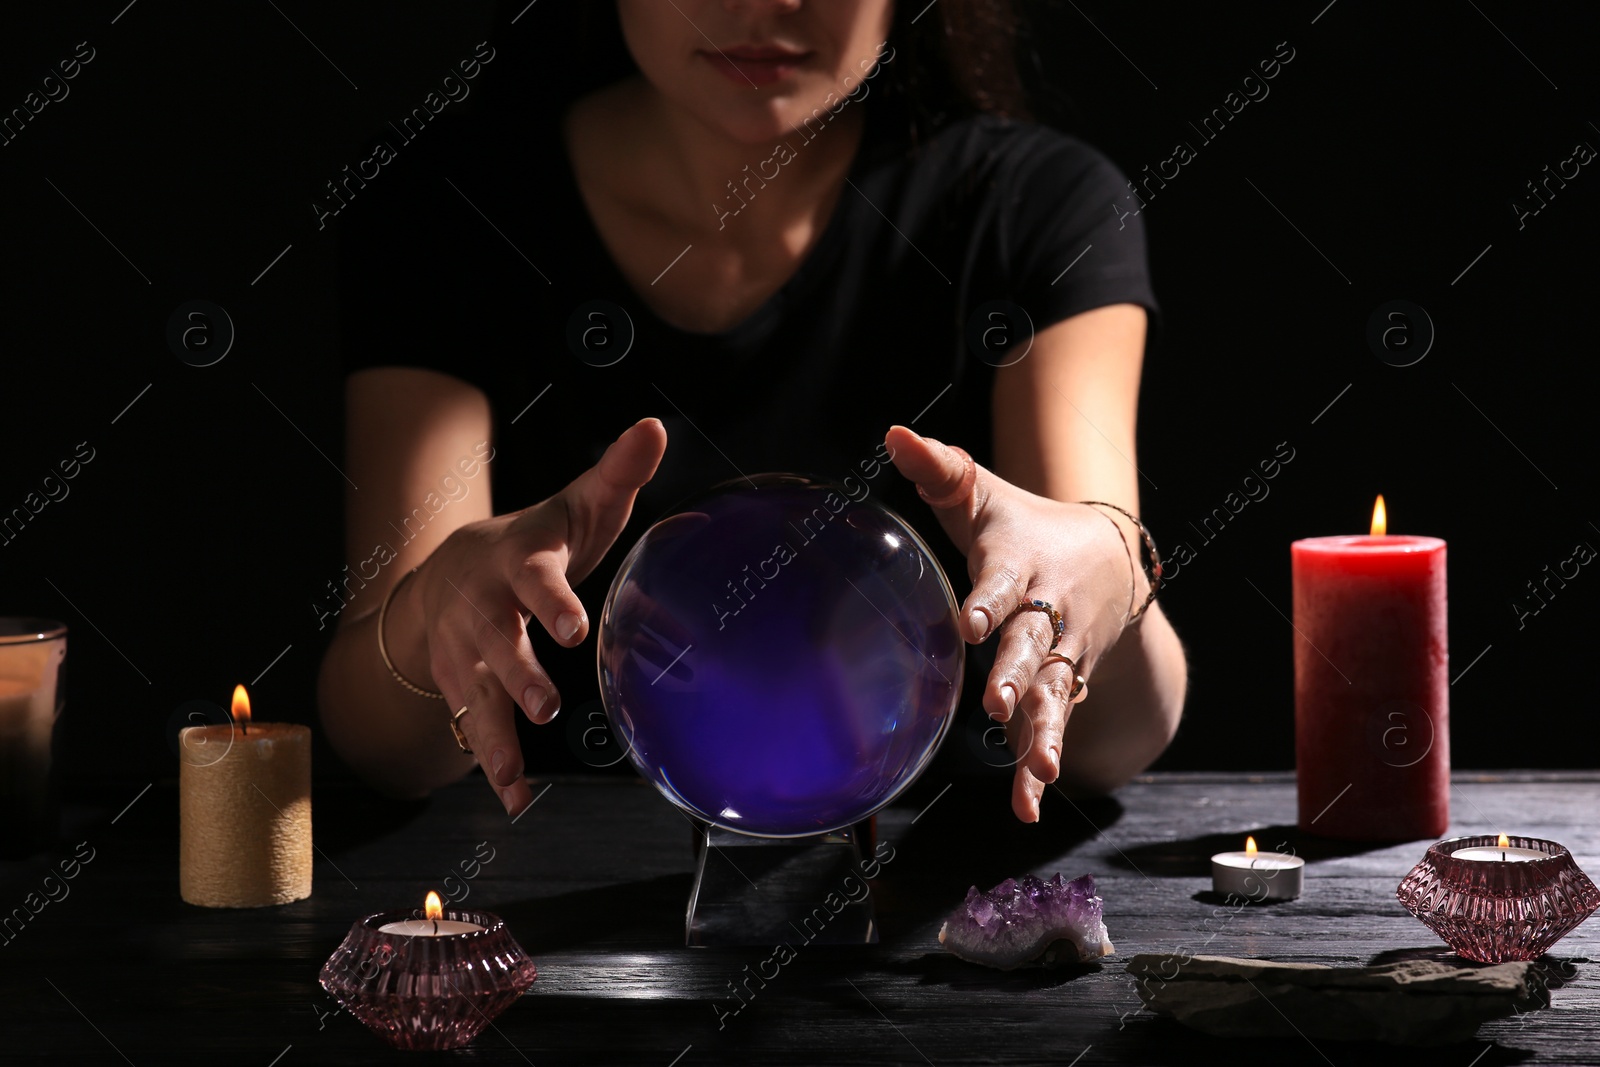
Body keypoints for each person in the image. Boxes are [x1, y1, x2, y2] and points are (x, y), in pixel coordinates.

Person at [318, 0, 1187, 825]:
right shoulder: (445, 213)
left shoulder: (1039, 208)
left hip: (928, 922)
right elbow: (381, 748)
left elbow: (1113, 742)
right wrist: (438, 606)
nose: (767, 3)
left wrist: (1108, 573)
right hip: (546, 903)